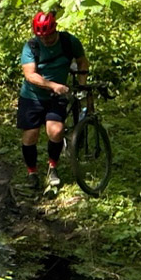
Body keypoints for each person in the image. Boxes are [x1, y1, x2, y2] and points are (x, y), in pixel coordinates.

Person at [17, 10, 90, 192]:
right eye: (42, 37)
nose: (46, 40)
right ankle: (32, 172)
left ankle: (52, 167)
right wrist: (52, 85)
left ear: (55, 30)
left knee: (56, 131)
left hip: (57, 97)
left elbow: (82, 61)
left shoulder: (68, 42)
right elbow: (30, 75)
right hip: (32, 97)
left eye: (49, 36)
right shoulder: (31, 46)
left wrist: (81, 84)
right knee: (30, 136)